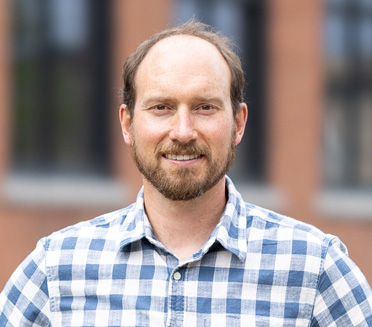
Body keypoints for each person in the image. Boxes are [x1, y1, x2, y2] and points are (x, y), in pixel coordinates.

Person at [1, 20, 372, 327]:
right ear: (127, 124)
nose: (182, 131)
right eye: (161, 107)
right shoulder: (56, 270)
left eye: (205, 107)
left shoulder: (316, 270)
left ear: (238, 123)